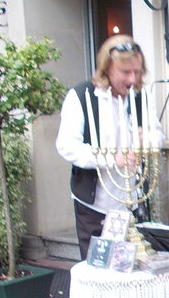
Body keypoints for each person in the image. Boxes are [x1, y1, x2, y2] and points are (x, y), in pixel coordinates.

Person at [56, 35, 163, 258]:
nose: (133, 78)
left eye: (137, 71)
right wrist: (111, 158)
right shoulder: (81, 97)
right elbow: (66, 145)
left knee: (136, 267)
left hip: (132, 202)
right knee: (100, 272)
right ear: (107, 68)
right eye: (126, 72)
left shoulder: (140, 97)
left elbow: (157, 136)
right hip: (95, 206)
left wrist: (147, 139)